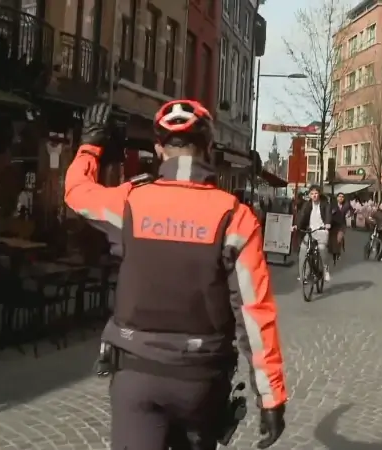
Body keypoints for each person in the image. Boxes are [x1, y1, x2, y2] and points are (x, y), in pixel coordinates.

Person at [64, 101, 287, 450]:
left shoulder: (130, 202)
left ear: (158, 149)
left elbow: (76, 192)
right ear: (209, 148)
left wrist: (90, 145)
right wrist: (270, 396)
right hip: (200, 379)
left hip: (136, 372)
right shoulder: (236, 217)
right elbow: (254, 314)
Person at [293, 185, 331, 282]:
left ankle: (325, 269)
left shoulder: (325, 204)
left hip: (322, 230)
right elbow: (302, 215)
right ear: (309, 195)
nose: (314, 195)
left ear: (319, 194)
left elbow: (328, 214)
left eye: (316, 193)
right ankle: (303, 275)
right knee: (303, 250)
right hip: (310, 231)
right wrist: (296, 225)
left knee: (321, 248)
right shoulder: (307, 205)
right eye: (312, 193)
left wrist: (327, 223)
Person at [330, 192, 352, 257]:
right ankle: (334, 250)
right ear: (337, 198)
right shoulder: (332, 205)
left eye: (342, 197)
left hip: (342, 225)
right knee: (333, 239)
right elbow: (328, 212)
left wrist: (349, 214)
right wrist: (331, 213)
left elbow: (352, 210)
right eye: (339, 196)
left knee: (338, 239)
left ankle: (338, 251)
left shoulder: (346, 205)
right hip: (334, 224)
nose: (341, 198)